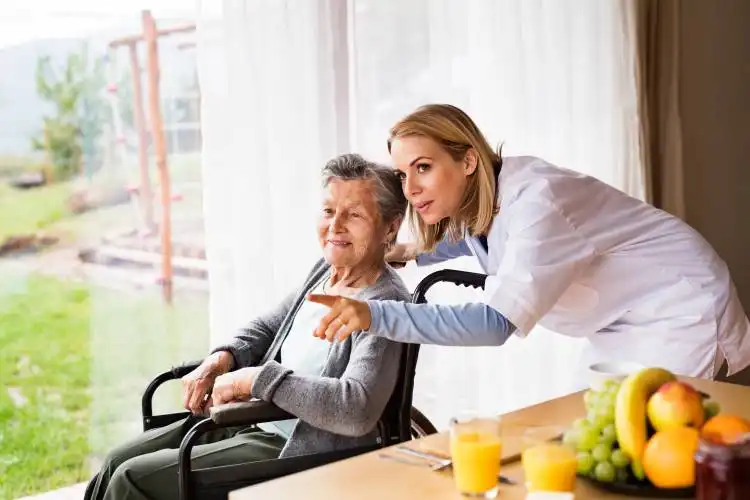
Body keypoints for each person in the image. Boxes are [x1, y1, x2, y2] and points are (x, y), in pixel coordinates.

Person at [310, 103, 750, 381]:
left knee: (653, 449)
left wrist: (374, 314)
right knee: (590, 434)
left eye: (423, 167)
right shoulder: (487, 194)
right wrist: (410, 250)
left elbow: (494, 325)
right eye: (403, 174)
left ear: (467, 160)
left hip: (677, 305)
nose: (410, 188)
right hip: (618, 320)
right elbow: (478, 235)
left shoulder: (536, 204)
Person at [90, 154, 411, 500]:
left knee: (132, 480)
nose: (335, 226)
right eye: (329, 211)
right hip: (248, 419)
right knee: (114, 461)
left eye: (355, 215)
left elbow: (356, 409)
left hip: (296, 448)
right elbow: (272, 324)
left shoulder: (385, 305)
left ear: (390, 227)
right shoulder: (325, 270)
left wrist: (255, 379)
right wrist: (223, 358)